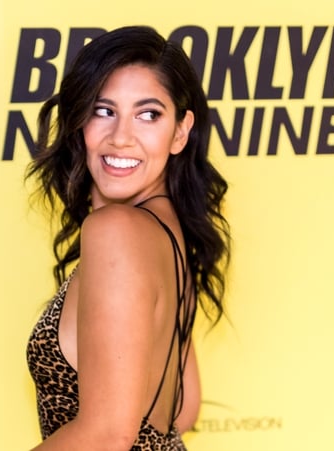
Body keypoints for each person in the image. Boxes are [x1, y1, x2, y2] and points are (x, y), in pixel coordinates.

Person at [25, 25, 230, 450]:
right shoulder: (169, 232)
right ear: (79, 120)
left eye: (148, 114)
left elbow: (108, 436)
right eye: (103, 110)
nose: (120, 136)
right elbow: (183, 408)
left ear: (180, 131)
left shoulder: (117, 230)